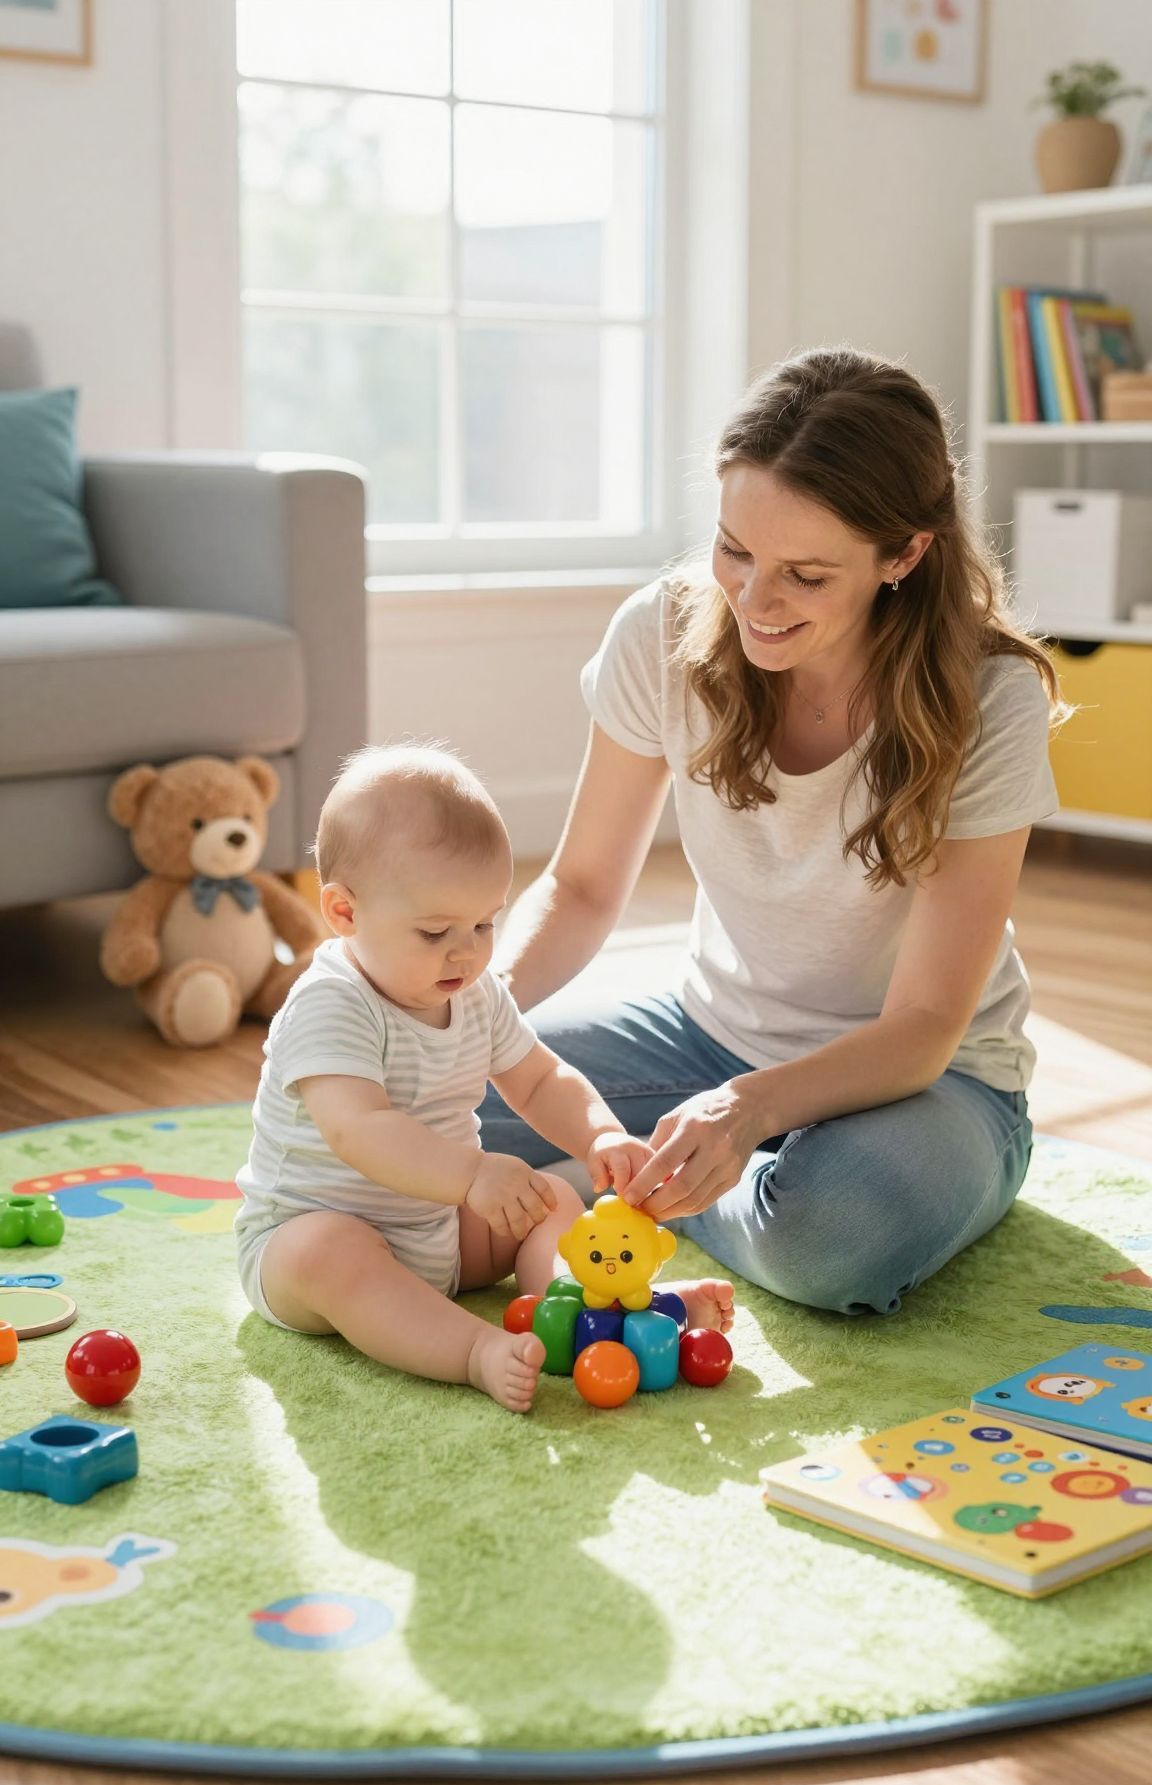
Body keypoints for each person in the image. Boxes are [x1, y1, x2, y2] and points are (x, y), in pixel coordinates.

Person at [482, 347, 1066, 1317]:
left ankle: (647, 1184)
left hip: (934, 1082)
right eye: (734, 550)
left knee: (826, 1236)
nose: (753, 599)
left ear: (905, 555)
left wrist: (745, 1110)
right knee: (442, 1103)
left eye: (803, 573)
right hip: (705, 1035)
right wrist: (471, 1019)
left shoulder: (986, 697)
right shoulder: (661, 634)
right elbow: (582, 889)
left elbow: (922, 1028)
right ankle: (687, 1170)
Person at [235, 745, 734, 1412]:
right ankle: (473, 1351)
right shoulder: (332, 1003)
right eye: (436, 930)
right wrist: (472, 1177)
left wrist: (600, 1137)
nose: (466, 951)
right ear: (345, 913)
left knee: (552, 1197)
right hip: (309, 1240)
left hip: (439, 1231)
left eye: (483, 923)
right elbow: (360, 1131)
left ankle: (584, 1315)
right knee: (331, 1251)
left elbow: (538, 1079)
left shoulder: (475, 993)